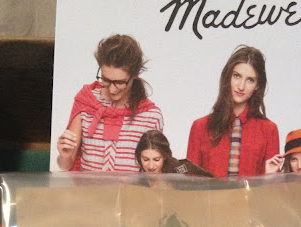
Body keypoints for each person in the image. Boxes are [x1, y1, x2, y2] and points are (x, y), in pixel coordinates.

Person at [57, 34, 163, 172]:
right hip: (88, 186)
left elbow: (155, 171)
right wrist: (64, 156)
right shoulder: (86, 102)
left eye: (120, 82)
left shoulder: (151, 116)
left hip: (131, 187)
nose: (112, 89)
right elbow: (66, 165)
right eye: (106, 80)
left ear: (135, 74)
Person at [186, 46, 279, 177]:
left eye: (250, 80)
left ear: (257, 85)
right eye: (237, 76)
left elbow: (273, 185)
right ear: (228, 77)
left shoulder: (269, 130)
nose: (241, 86)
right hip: (210, 192)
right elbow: (190, 182)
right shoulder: (200, 127)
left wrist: (268, 177)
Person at [135, 130, 213, 176]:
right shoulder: (138, 182)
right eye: (145, 159)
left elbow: (214, 184)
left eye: (156, 159)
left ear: (165, 156)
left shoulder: (184, 169)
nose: (151, 166)